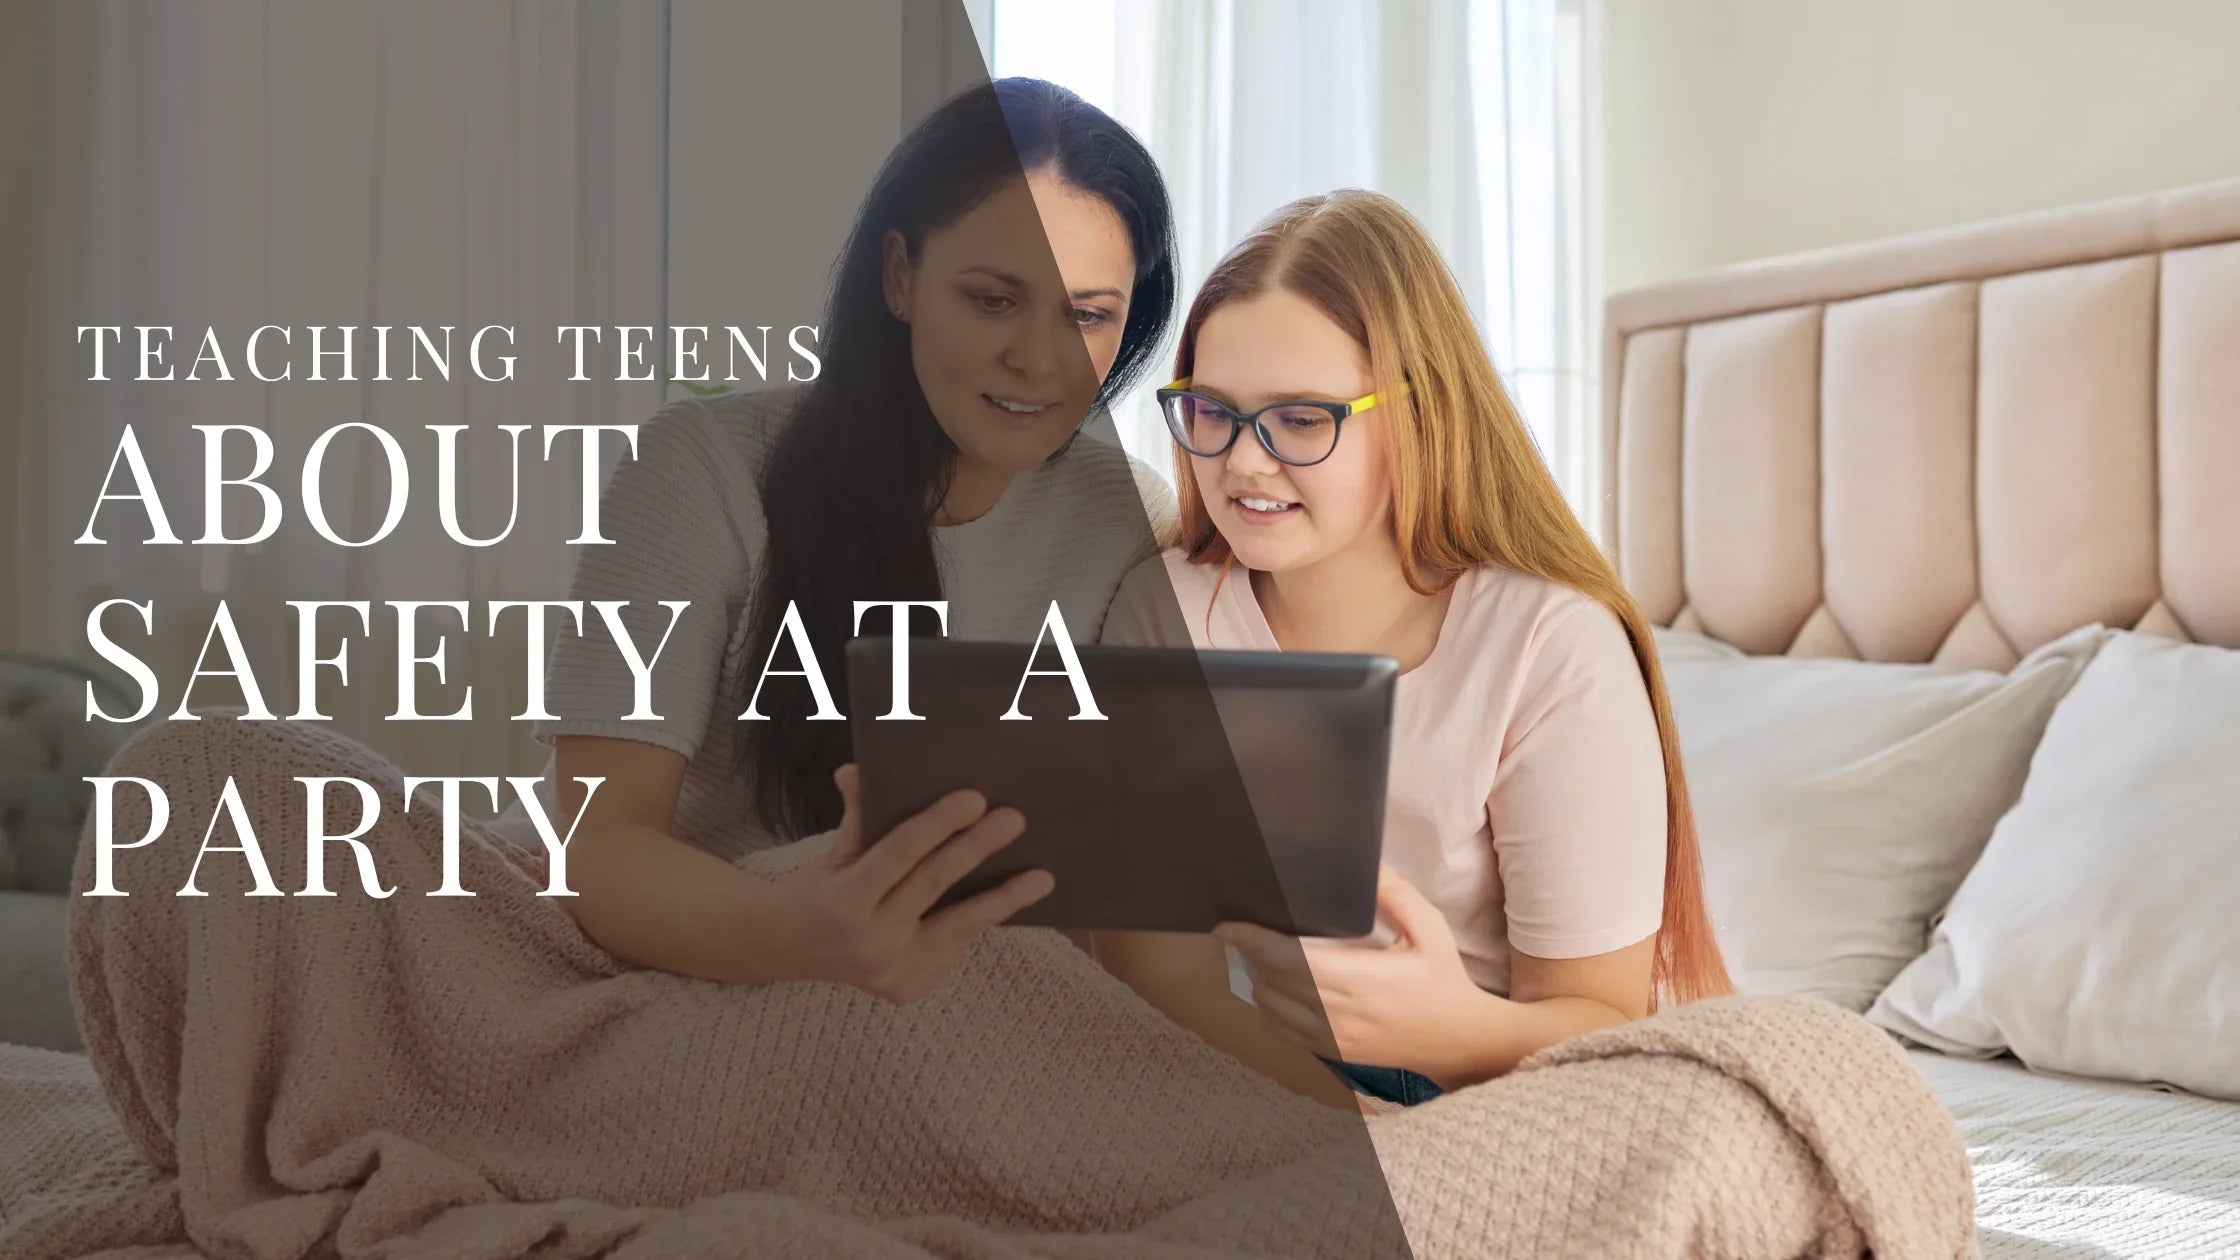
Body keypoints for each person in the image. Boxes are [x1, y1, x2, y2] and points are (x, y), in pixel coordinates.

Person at [505, 76, 1181, 995]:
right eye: (992, 300)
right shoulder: (701, 466)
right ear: (900, 277)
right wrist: (797, 935)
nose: (1040, 358)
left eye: (1088, 314)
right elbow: (593, 845)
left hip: (934, 994)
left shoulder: (1127, 521)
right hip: (653, 956)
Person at [1096, 189, 1732, 1108]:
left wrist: (1448, 1033)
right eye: (1210, 411)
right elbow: (1164, 982)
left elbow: (1601, 1025)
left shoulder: (1549, 647)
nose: (1241, 462)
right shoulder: (1168, 611)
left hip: (1496, 1083)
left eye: (1302, 419)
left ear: (1421, 414)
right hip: (1240, 1076)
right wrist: (1346, 1129)